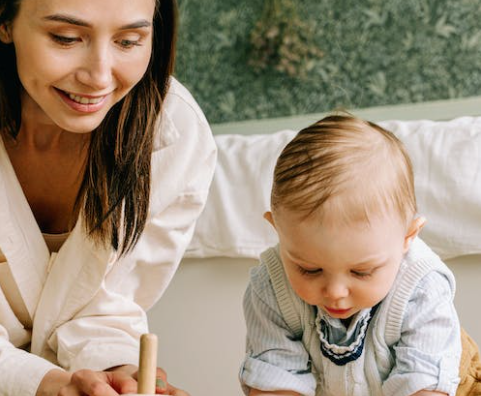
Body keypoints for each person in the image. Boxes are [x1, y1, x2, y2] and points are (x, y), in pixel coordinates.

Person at [0, 0, 216, 395]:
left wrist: (116, 372)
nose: (99, 76)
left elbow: (105, 302)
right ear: (4, 21)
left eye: (129, 41)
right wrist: (44, 383)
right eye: (65, 38)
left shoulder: (172, 137)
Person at [240, 115, 464, 395]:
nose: (335, 292)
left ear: (408, 237)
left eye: (361, 272)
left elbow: (423, 387)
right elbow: (276, 380)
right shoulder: (270, 286)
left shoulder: (423, 288)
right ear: (278, 231)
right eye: (309, 269)